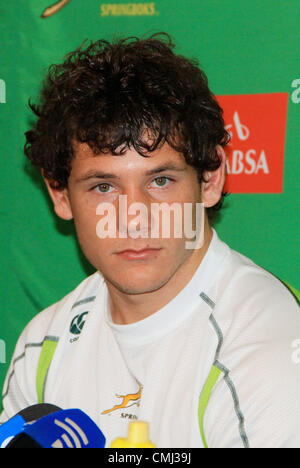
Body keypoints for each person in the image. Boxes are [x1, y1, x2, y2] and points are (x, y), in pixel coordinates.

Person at [1, 33, 299, 448]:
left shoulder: (266, 345)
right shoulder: (43, 345)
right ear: (60, 195)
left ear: (210, 180)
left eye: (160, 181)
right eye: (103, 187)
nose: (133, 218)